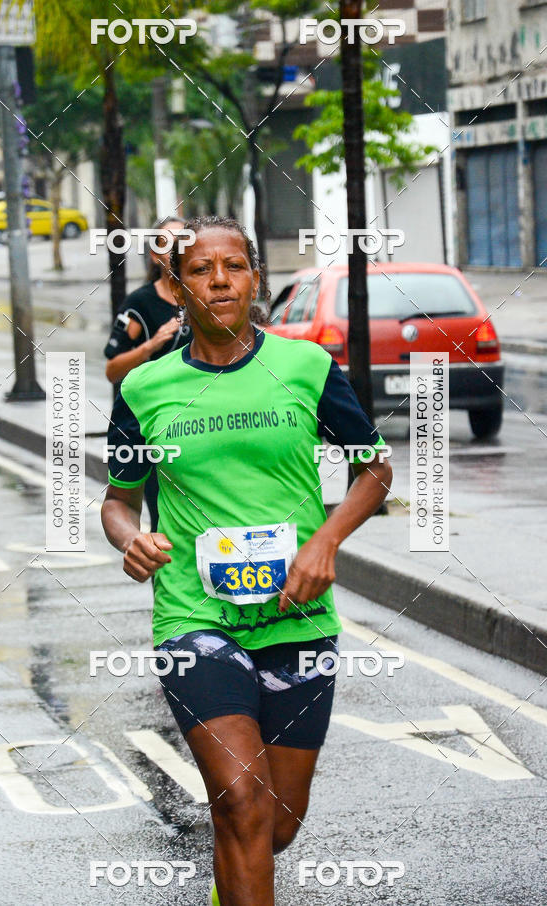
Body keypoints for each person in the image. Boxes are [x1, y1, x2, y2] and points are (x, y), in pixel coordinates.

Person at [101, 216, 392, 906]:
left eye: (234, 266)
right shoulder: (144, 388)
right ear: (177, 287)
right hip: (194, 618)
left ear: (255, 279)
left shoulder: (306, 367)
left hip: (298, 619)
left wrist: (324, 541)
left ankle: (230, 887)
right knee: (239, 800)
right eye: (201, 270)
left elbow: (374, 470)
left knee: (276, 823)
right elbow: (118, 501)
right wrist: (130, 538)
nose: (220, 281)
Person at [104, 216, 191, 532]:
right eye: (168, 244)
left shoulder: (206, 301)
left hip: (203, 421)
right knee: (164, 519)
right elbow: (112, 369)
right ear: (155, 255)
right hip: (156, 429)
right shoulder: (139, 304)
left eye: (185, 241)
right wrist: (151, 346)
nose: (177, 250)